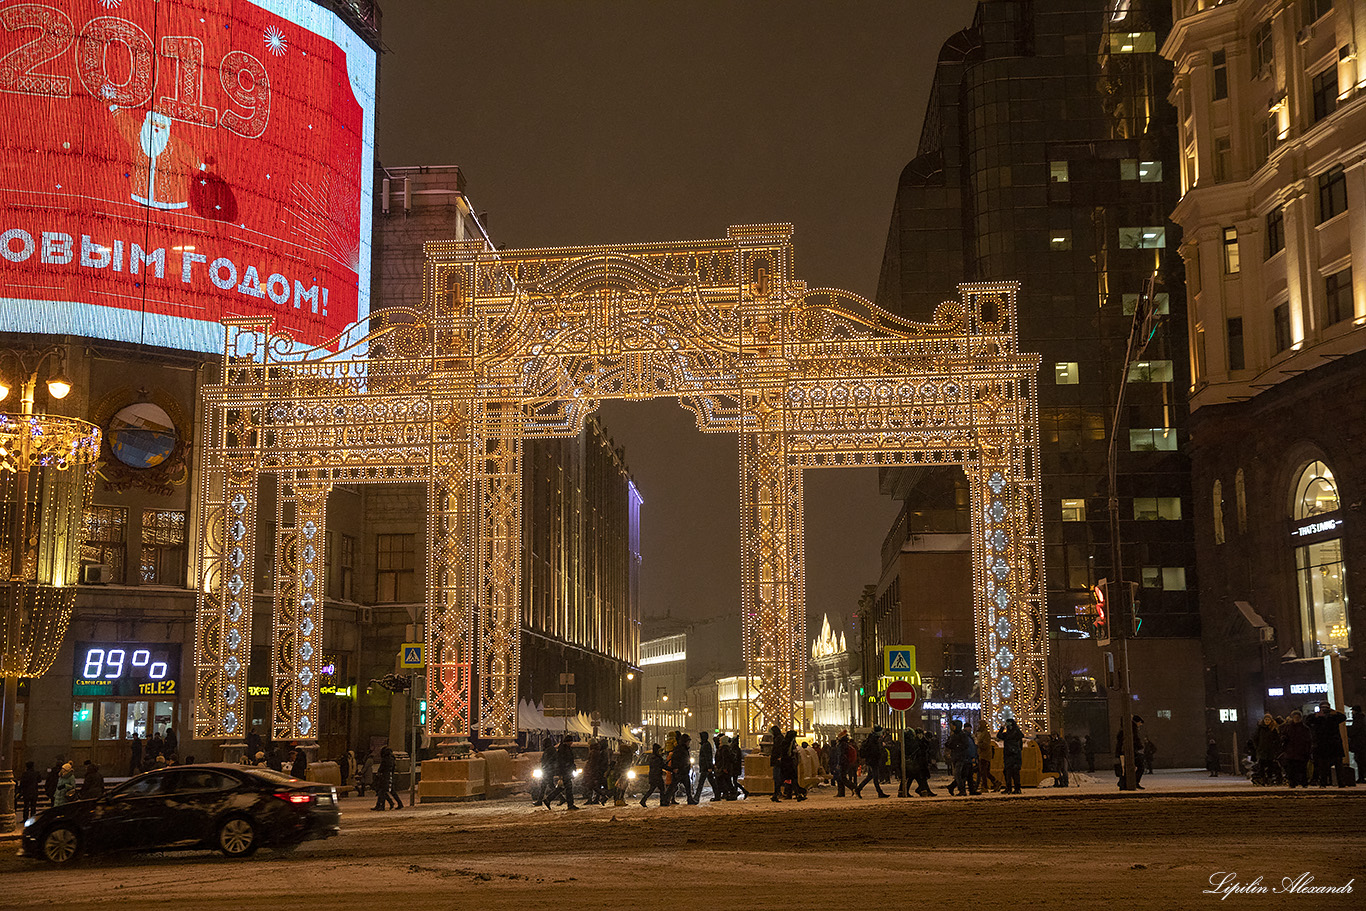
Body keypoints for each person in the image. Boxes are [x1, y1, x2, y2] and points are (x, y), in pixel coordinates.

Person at [1306, 701, 1348, 787]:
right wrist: (1316, 715)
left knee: (1337, 765)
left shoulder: (1334, 717)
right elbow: (1307, 721)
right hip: (1324, 745)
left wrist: (1335, 713)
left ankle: (1340, 783)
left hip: (1332, 745)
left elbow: (1343, 717)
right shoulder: (1317, 718)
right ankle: (1323, 782)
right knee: (1323, 766)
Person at [1280, 710, 1313, 788]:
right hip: (1291, 752)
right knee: (1291, 770)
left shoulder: (1304, 728)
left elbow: (1308, 741)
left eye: (1298, 717)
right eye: (1295, 717)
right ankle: (1293, 783)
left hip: (1300, 752)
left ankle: (1302, 783)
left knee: (1301, 769)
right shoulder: (1288, 728)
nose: (1296, 719)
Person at [857, 726, 890, 798]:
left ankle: (858, 789)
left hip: (871, 761)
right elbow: (874, 752)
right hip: (873, 761)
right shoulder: (873, 740)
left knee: (870, 777)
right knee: (875, 778)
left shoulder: (872, 739)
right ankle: (880, 793)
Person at [1251, 714, 1281, 785]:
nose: (1267, 721)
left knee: (1270, 766)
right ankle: (1263, 779)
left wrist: (1275, 748)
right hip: (1262, 750)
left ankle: (1269, 779)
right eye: (1266, 720)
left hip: (1270, 751)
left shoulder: (1273, 729)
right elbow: (1255, 738)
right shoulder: (1260, 729)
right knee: (1261, 766)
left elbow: (1277, 740)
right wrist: (1257, 747)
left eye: (1268, 720)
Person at [945, 720, 972, 796]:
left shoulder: (961, 735)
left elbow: (965, 745)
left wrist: (956, 746)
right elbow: (949, 744)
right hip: (956, 757)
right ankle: (953, 787)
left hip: (960, 757)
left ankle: (961, 790)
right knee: (959, 775)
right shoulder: (954, 735)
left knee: (958, 774)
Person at [998, 718, 1023, 794]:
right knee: (1014, 773)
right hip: (1015, 755)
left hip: (1009, 755)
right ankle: (1016, 788)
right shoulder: (1017, 733)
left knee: (1009, 772)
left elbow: (999, 735)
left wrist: (1002, 727)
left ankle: (1009, 788)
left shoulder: (1008, 734)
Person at [780, 730, 807, 801]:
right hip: (790, 764)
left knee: (789, 780)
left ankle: (793, 793)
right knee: (792, 780)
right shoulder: (790, 743)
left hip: (788, 764)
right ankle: (798, 792)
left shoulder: (787, 743)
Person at [640, 743, 667, 807]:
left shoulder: (653, 757)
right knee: (662, 789)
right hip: (657, 776)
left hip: (653, 775)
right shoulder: (657, 758)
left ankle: (643, 800)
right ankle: (662, 802)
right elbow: (661, 766)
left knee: (652, 789)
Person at [556, 735, 579, 810]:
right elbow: (563, 761)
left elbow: (570, 760)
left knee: (566, 788)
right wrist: (563, 772)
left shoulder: (566, 748)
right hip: (566, 771)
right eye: (571, 741)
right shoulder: (563, 749)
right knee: (568, 788)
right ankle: (570, 804)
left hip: (567, 771)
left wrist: (573, 767)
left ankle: (548, 799)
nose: (572, 743)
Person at [670, 732, 693, 805]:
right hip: (680, 770)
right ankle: (666, 799)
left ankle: (689, 799)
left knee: (686, 786)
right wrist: (676, 768)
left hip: (683, 770)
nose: (689, 743)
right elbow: (675, 759)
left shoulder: (682, 748)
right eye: (688, 741)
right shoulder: (680, 748)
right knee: (673, 786)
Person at [696, 730, 720, 801]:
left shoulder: (706, 745)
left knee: (701, 783)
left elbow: (708, 757)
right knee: (712, 782)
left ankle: (697, 797)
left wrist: (709, 767)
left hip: (705, 768)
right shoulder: (705, 744)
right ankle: (717, 796)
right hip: (706, 767)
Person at [975, 723, 1000, 792]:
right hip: (982, 754)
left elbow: (985, 744)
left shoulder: (985, 734)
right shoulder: (980, 733)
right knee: (985, 772)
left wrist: (978, 744)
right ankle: (995, 782)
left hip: (985, 755)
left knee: (983, 772)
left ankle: (985, 786)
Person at [372, 746, 398, 810]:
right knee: (383, 792)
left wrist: (379, 773)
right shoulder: (391, 759)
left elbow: (382, 768)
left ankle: (382, 805)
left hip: (385, 777)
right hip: (387, 777)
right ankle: (381, 805)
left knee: (382, 791)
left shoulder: (386, 759)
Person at [1349, 705, 1366, 786]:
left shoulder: (1358, 720)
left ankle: (1362, 777)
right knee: (1361, 761)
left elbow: (1354, 731)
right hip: (1361, 744)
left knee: (1360, 761)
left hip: (1359, 744)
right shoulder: (1362, 719)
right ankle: (1362, 777)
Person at [767, 725, 785, 802]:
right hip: (777, 761)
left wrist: (778, 757)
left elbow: (778, 749)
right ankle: (777, 793)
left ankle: (777, 793)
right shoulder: (779, 738)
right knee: (777, 777)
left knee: (777, 777)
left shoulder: (778, 739)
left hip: (778, 761)